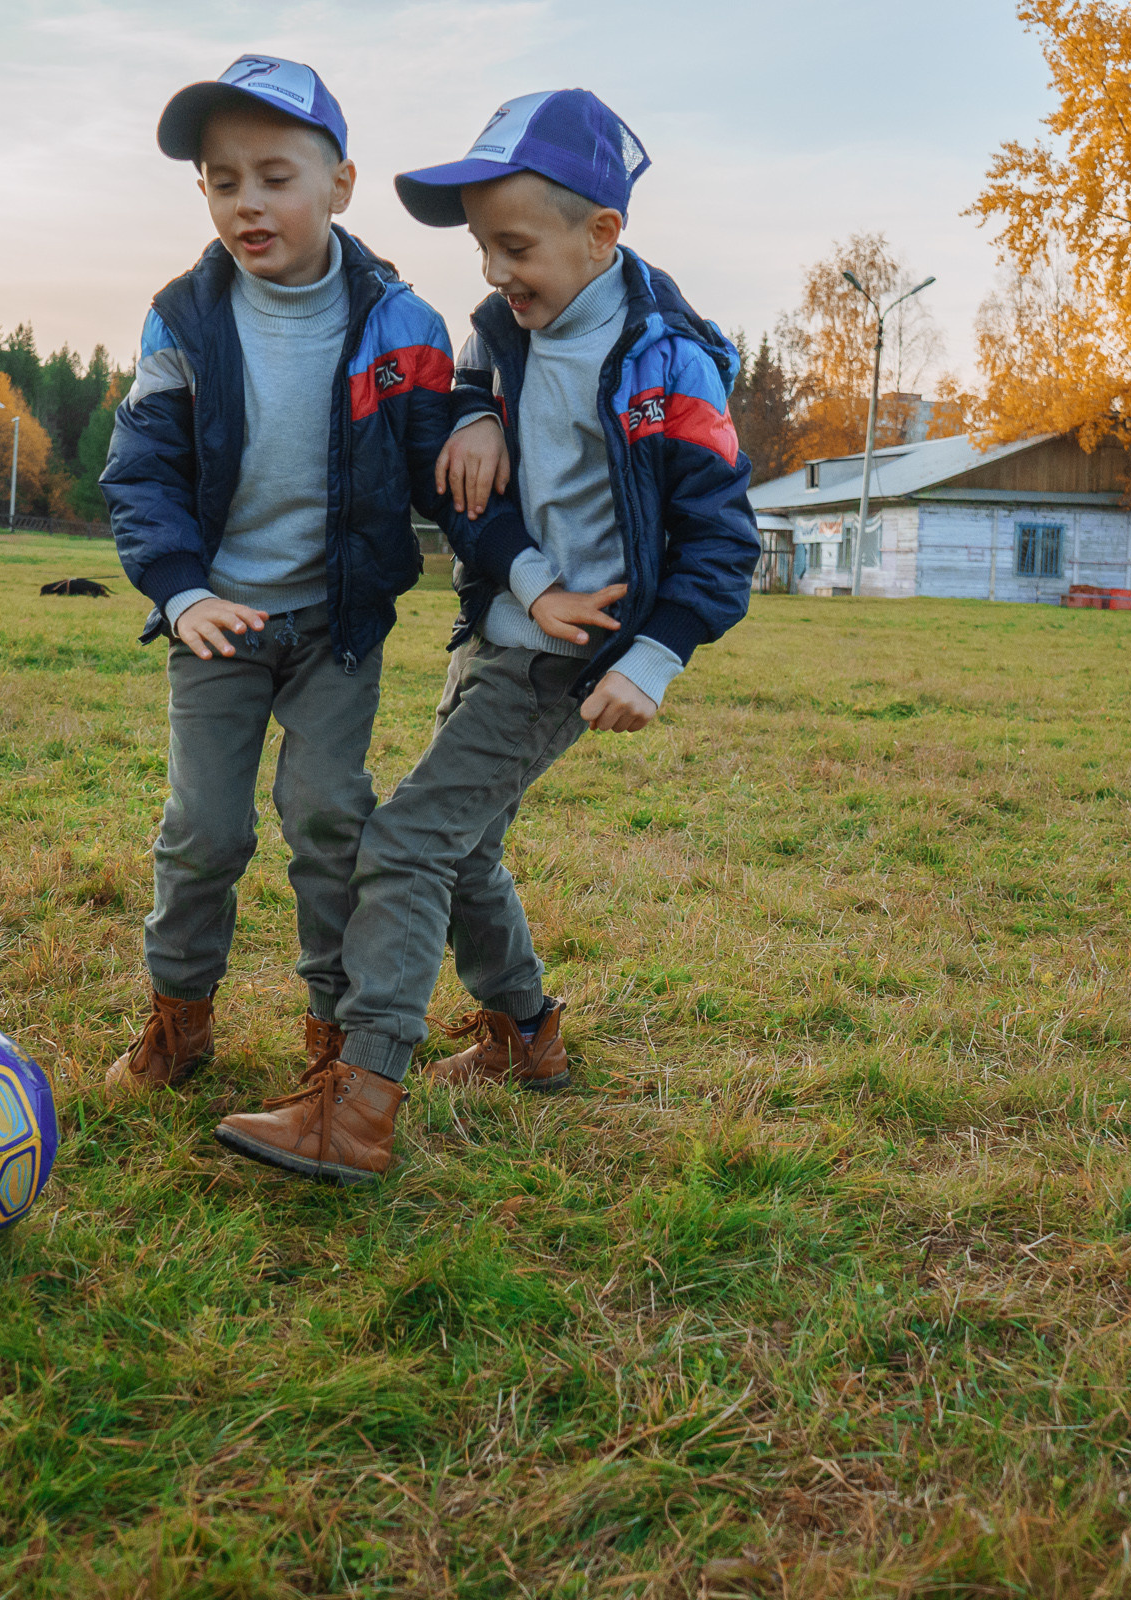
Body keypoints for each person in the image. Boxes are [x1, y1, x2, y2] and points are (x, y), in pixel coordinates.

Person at [214, 88, 761, 1185]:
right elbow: (469, 487)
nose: (497, 275)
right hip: (497, 625)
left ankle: (359, 1102)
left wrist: (649, 656)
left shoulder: (668, 368)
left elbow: (724, 542)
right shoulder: (496, 337)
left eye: (515, 247)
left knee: (408, 842)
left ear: (602, 235)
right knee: (464, 851)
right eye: (481, 251)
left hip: (568, 658)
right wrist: (473, 428)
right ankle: (527, 1035)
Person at [99, 55, 521, 1101]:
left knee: (330, 816)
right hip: (218, 622)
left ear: (339, 185)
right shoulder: (182, 320)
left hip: (335, 624)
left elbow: (443, 439)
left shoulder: (403, 326)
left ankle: (333, 1029)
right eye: (222, 178)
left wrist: (471, 412)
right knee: (206, 830)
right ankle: (178, 1017)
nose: (248, 201)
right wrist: (180, 590)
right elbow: (142, 469)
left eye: (276, 175)